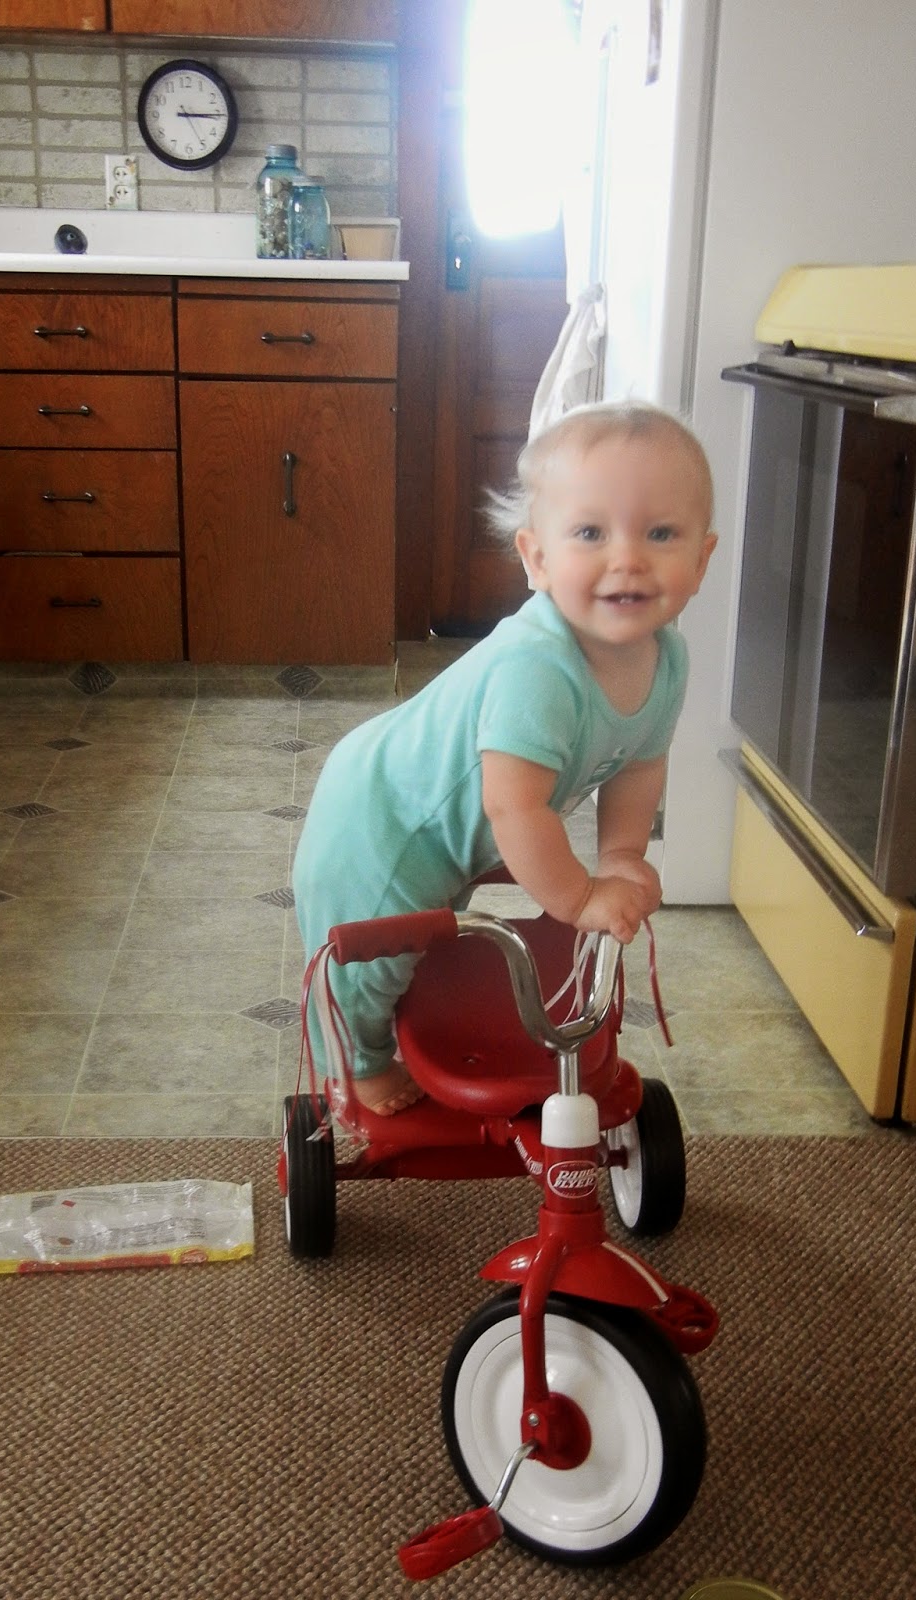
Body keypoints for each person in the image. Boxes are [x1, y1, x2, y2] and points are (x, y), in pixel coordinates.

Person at [291, 400, 718, 1114]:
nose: (628, 558)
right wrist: (579, 897)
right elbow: (513, 806)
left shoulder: (666, 661)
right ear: (537, 558)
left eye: (661, 533)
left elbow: (641, 764)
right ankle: (357, 1066)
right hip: (385, 816)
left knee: (430, 942)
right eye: (591, 532)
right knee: (374, 962)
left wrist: (620, 855)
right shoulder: (538, 668)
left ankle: (399, 1029)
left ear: (701, 558)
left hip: (450, 828)